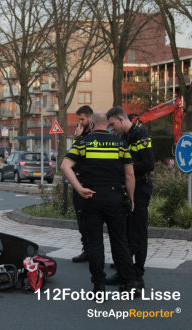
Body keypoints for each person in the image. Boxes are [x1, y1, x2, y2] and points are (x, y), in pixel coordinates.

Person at [61, 112, 139, 297]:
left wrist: (80, 189)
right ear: (107, 125)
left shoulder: (82, 143)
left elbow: (65, 165)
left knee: (95, 243)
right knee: (120, 241)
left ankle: (99, 287)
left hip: (90, 197)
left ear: (93, 124)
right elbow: (129, 175)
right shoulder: (120, 143)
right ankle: (129, 283)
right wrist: (131, 198)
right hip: (114, 197)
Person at [105, 106, 154, 289]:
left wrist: (127, 167)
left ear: (120, 119)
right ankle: (125, 272)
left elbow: (148, 164)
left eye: (112, 124)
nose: (111, 129)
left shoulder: (141, 135)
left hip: (140, 188)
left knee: (138, 234)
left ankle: (138, 276)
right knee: (125, 233)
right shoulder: (123, 138)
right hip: (127, 189)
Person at [71, 105, 93, 263]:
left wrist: (78, 138)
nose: (80, 122)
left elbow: (83, 155)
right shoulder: (80, 133)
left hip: (88, 181)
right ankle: (86, 249)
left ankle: (92, 250)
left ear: (90, 118)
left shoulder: (93, 135)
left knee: (88, 219)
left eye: (82, 119)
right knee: (80, 217)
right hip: (78, 180)